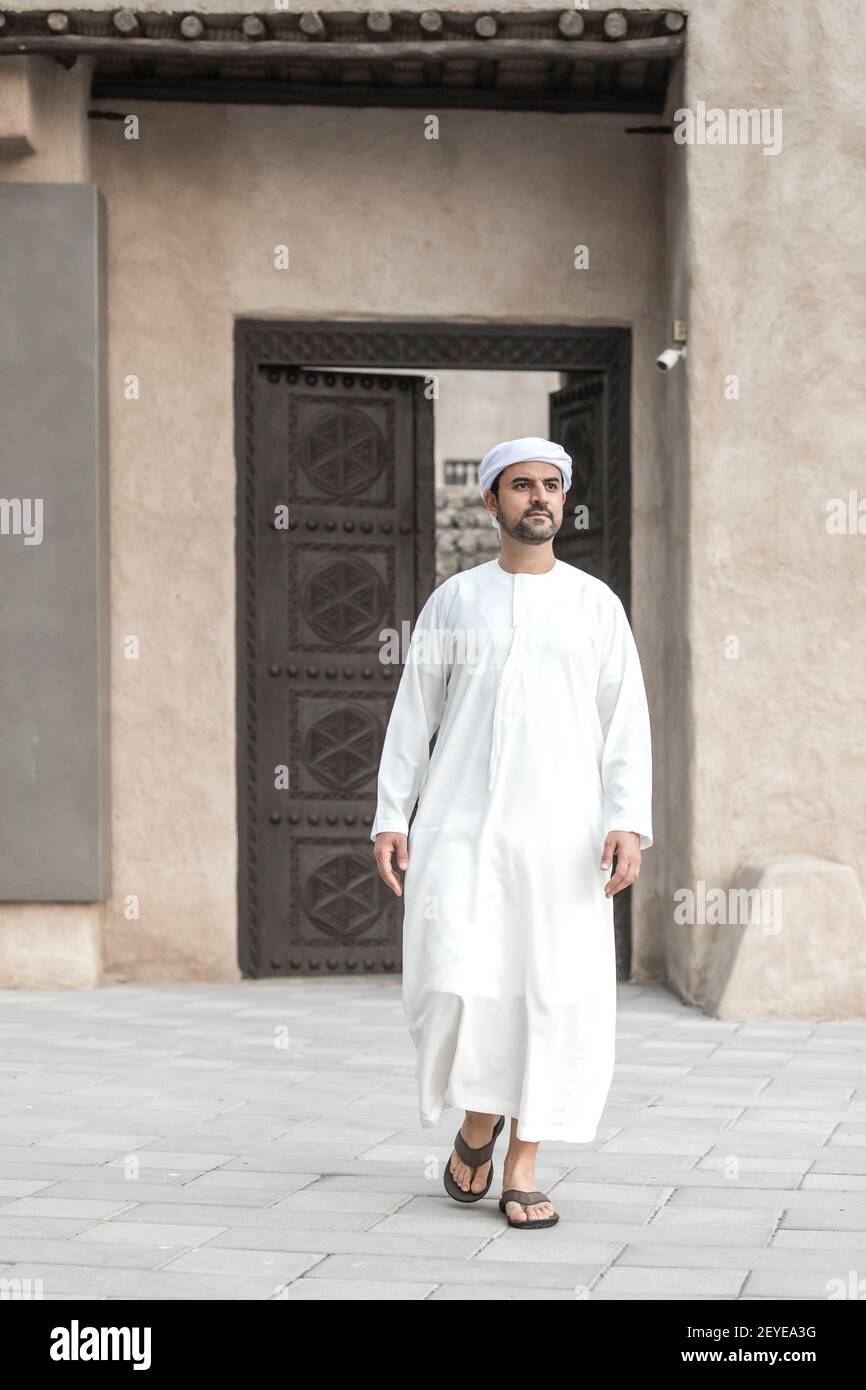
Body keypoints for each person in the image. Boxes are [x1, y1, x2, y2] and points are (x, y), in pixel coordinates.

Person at [371, 437, 653, 1230]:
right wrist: (393, 813)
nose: (539, 497)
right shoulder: (456, 602)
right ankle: (476, 1121)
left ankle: (524, 1163)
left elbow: (624, 720)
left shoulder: (595, 604)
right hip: (460, 826)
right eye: (522, 485)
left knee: (553, 995)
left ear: (564, 502)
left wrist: (628, 819)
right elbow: (414, 713)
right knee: (454, 983)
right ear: (492, 501)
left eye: (552, 485)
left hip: (566, 835)